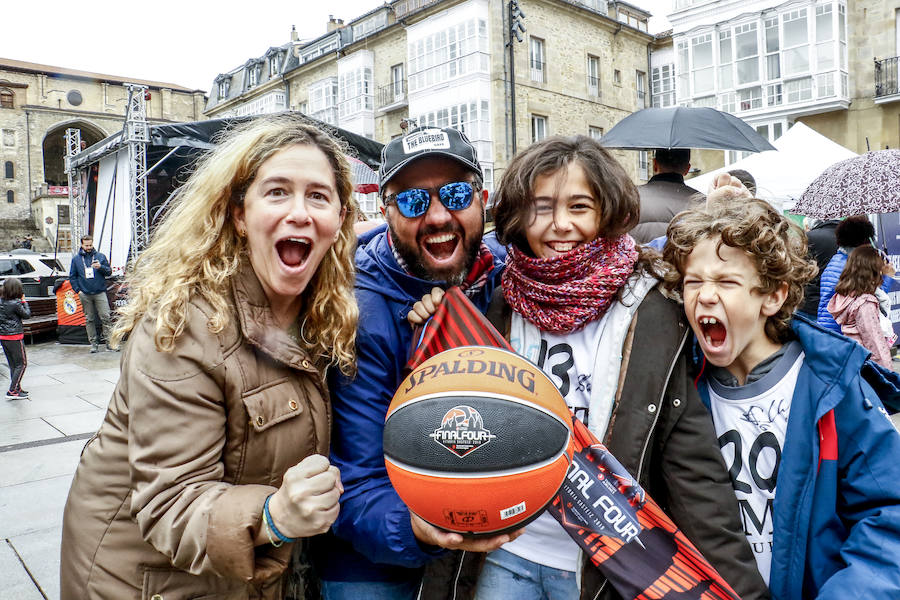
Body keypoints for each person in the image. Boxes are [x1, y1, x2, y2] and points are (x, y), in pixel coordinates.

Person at [410, 136, 767, 600]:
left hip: (604, 565)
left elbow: (692, 467)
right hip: (505, 553)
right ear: (519, 214)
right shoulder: (498, 299)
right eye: (541, 207)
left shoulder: (657, 308)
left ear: (607, 211)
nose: (560, 225)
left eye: (580, 206)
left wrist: (742, 590)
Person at [59, 115, 358, 600]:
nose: (300, 213)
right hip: (145, 579)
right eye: (277, 192)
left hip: (237, 578)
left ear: (339, 219)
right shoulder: (182, 326)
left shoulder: (321, 311)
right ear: (239, 215)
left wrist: (422, 302)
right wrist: (276, 516)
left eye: (318, 196)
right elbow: (171, 502)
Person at [663, 197, 900, 599]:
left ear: (772, 296)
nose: (704, 296)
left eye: (725, 282)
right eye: (693, 281)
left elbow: (888, 512)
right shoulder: (679, 390)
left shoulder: (831, 386)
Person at [313, 125, 511, 600]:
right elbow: (357, 482)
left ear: (483, 200)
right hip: (373, 564)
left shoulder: (504, 276)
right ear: (385, 212)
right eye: (413, 202)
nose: (439, 216)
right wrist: (419, 529)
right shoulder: (361, 313)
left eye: (457, 193)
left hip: (482, 555)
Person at [827, 245, 895, 369]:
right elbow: (875, 342)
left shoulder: (847, 295)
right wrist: (888, 373)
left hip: (853, 360)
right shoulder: (865, 303)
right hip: (867, 365)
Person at [816, 216, 887, 333]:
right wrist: (885, 275)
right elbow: (875, 301)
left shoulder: (835, 260)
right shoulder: (854, 268)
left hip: (828, 332)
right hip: (843, 335)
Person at [630, 148, 703, 244]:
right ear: (687, 169)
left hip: (638, 258)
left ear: (655, 164)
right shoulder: (701, 202)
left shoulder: (630, 197)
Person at [68, 234, 113, 352]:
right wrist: (78, 291)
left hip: (100, 292)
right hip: (85, 293)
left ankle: (110, 342)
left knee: (106, 316)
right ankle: (93, 343)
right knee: (89, 319)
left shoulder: (100, 256)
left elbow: (109, 272)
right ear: (82, 245)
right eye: (86, 245)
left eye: (90, 245)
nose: (89, 247)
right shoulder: (76, 259)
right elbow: (72, 277)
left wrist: (101, 267)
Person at [796, 218, 839, 320]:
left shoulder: (810, 237)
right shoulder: (851, 239)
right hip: (841, 301)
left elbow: (799, 269)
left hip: (811, 302)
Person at [0, 277, 30, 399]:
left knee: (13, 364)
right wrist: (24, 302)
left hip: (3, 336)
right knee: (22, 364)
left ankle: (17, 387)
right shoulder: (16, 303)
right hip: (14, 336)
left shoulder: (1, 301)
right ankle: (12, 390)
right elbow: (27, 315)